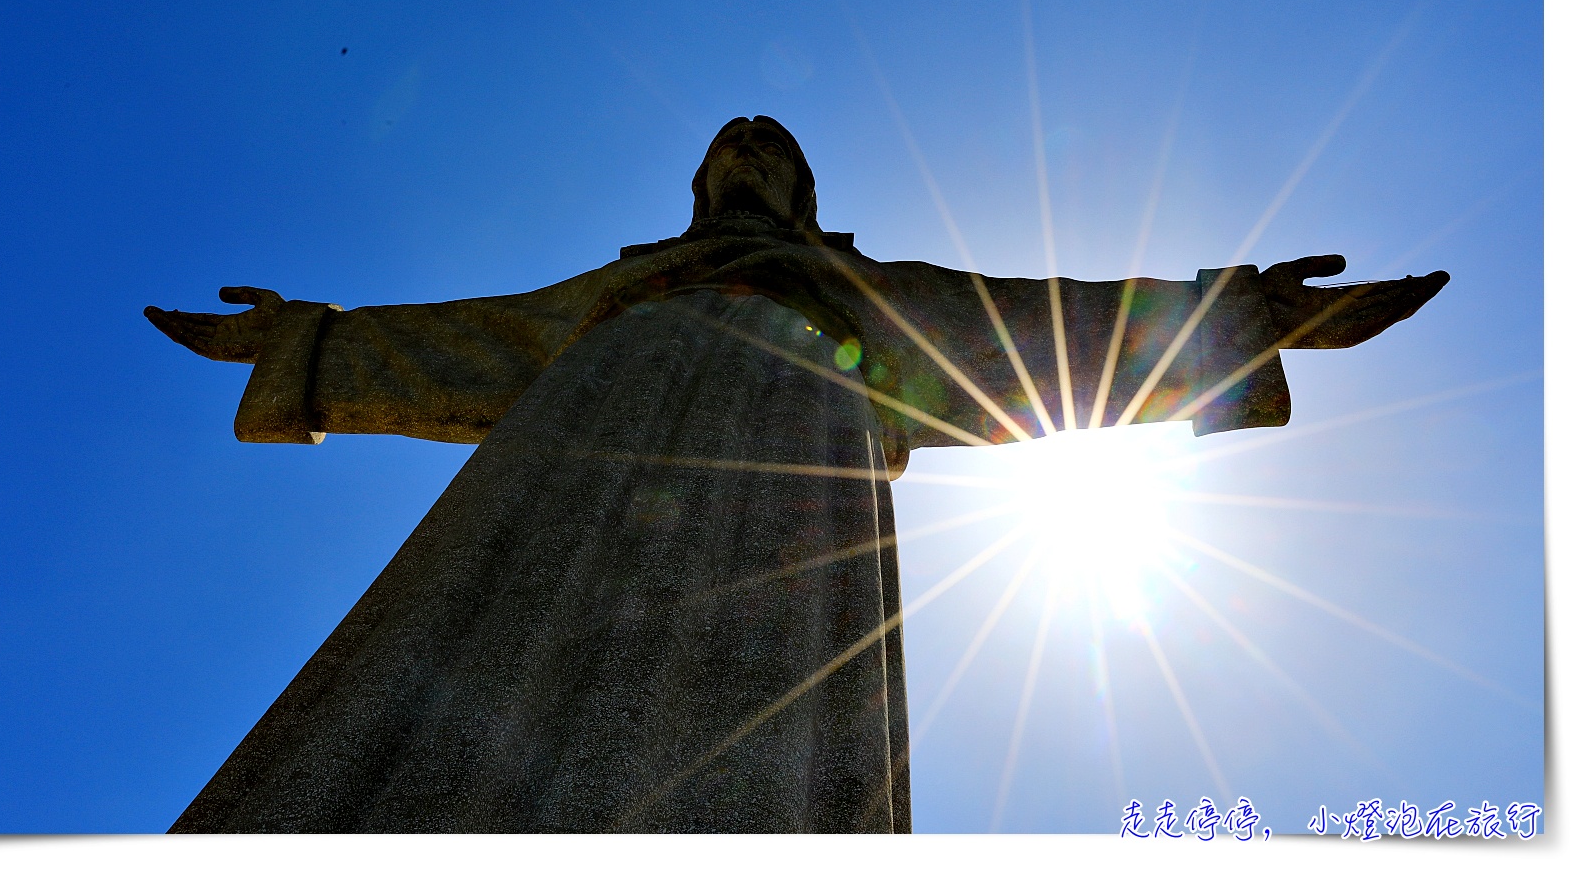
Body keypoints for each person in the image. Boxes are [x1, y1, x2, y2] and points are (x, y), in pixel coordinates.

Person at [148, 116, 1447, 832]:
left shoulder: (867, 296)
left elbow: (1036, 329)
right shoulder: (609, 292)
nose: (748, 162)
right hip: (585, 425)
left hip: (798, 432)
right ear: (704, 183)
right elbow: (463, 345)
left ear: (804, 197)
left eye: (769, 157)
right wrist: (305, 339)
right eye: (732, 155)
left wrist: (1236, 319)